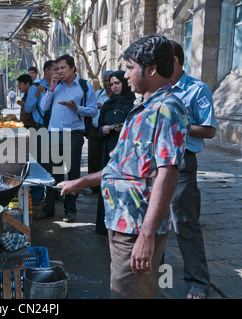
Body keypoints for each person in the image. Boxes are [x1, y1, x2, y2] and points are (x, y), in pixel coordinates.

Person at [58, 34, 190, 298]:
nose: (125, 75)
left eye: (130, 68)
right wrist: (80, 182)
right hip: (121, 222)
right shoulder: (143, 108)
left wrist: (147, 236)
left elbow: (168, 174)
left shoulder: (167, 109)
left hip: (136, 228)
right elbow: (120, 167)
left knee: (129, 294)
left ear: (151, 69)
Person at [169, 40, 216, 300]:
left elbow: (209, 130)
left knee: (185, 223)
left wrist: (176, 124)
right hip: (154, 161)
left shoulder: (197, 89)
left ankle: (198, 282)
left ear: (174, 60)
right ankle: (154, 274)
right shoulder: (158, 89)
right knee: (152, 222)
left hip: (182, 162)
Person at [37, 54, 98, 222]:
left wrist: (76, 108)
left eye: (63, 68)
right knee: (53, 173)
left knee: (72, 174)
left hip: (74, 134)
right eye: (57, 69)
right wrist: (51, 87)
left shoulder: (84, 86)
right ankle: (48, 207)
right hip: (54, 135)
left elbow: (93, 110)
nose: (59, 71)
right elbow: (43, 107)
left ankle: (70, 210)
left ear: (72, 68)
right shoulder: (55, 86)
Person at [93, 70, 136, 236]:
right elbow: (98, 127)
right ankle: (104, 226)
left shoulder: (134, 104)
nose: (114, 87)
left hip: (127, 154)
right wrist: (103, 129)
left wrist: (124, 129)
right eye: (112, 84)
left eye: (117, 83)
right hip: (109, 150)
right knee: (107, 186)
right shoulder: (109, 104)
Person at [23, 61, 58, 206]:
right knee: (40, 163)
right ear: (47, 70)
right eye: (55, 69)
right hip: (42, 128)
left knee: (57, 162)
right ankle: (38, 194)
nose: (58, 71)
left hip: (57, 129)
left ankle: (56, 193)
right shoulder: (35, 87)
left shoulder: (60, 85)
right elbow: (28, 108)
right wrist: (37, 93)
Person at [87, 70, 113, 192]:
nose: (107, 83)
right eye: (105, 80)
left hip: (111, 132)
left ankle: (107, 185)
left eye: (109, 80)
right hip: (95, 130)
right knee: (93, 158)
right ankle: (93, 187)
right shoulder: (97, 94)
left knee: (108, 158)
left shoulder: (118, 96)